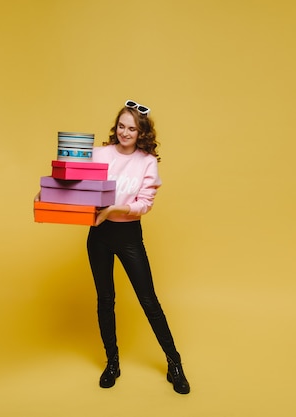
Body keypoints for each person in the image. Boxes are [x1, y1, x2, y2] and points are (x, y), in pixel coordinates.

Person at [87, 100, 190, 394]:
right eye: (121, 126)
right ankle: (112, 361)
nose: (124, 132)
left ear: (141, 131)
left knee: (149, 301)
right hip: (99, 235)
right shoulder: (100, 153)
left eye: (131, 128)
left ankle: (174, 363)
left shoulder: (146, 161)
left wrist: (111, 210)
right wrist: (49, 189)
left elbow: (143, 204)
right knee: (105, 300)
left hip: (129, 236)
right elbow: (75, 181)